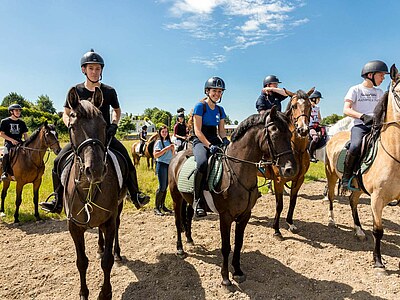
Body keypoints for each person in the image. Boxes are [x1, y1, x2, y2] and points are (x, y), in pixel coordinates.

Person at [40, 49, 149, 213]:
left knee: (125, 157)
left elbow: (117, 110)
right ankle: (58, 200)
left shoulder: (109, 91)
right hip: (82, 137)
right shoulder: (76, 90)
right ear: (84, 70)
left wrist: (114, 124)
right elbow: (66, 112)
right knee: (57, 162)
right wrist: (69, 122)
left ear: (101, 70)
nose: (95, 72)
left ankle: (135, 195)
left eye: (98, 68)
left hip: (103, 135)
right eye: (91, 68)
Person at [341, 60, 388, 192]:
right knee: (355, 146)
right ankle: (346, 178)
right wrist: (363, 117)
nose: (383, 78)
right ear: (370, 75)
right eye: (381, 75)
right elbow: (346, 109)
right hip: (360, 126)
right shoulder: (355, 90)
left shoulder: (380, 92)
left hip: (378, 126)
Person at [192, 76, 230, 217]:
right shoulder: (200, 107)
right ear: (207, 91)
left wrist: (225, 140)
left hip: (214, 138)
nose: (217, 94)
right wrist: (209, 146)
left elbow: (221, 130)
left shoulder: (220, 110)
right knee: (202, 163)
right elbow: (197, 131)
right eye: (214, 91)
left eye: (220, 91)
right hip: (200, 140)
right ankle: (197, 200)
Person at [0, 104, 29, 180]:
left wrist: (27, 142)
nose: (18, 112)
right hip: (9, 143)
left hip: (19, 142)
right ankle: (4, 172)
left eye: (19, 110)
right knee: (5, 153)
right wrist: (12, 140)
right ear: (11, 112)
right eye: (16, 110)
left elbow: (25, 134)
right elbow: (1, 134)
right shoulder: (5, 121)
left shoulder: (22, 123)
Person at [153, 125, 175, 216]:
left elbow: (173, 155)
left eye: (166, 132)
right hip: (161, 165)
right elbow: (156, 155)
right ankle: (156, 207)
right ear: (160, 133)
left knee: (165, 187)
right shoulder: (158, 142)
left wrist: (173, 150)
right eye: (163, 132)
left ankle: (162, 205)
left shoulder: (170, 142)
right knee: (161, 187)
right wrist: (166, 149)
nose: (164, 133)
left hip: (169, 165)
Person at [308, 90, 324, 163]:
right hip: (310, 127)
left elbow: (319, 117)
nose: (319, 100)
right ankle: (310, 156)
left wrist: (319, 122)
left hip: (316, 126)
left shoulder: (317, 108)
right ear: (313, 98)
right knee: (315, 137)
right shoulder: (307, 107)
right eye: (318, 98)